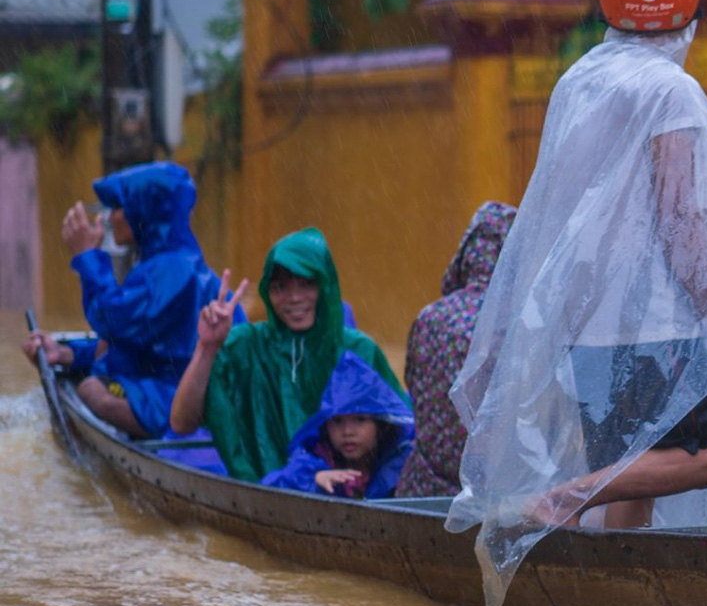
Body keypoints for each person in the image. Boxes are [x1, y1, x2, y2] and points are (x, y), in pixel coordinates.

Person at [448, 0, 707, 606]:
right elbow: (680, 217)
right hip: (653, 324)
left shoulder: (580, 80)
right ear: (690, 7)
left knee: (633, 476)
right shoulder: (669, 91)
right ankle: (565, 496)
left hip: (588, 324)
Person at [169, 227, 404, 482]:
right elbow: (182, 423)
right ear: (267, 293)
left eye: (306, 284)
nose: (293, 298)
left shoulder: (359, 350)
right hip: (263, 491)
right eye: (280, 287)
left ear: (326, 287)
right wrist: (207, 347)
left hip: (344, 491)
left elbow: (402, 427)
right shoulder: (243, 346)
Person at [17, 162, 227, 438]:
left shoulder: (171, 269)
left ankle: (161, 438)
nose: (108, 218)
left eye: (117, 208)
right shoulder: (166, 261)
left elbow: (112, 321)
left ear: (142, 212)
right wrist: (69, 353)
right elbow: (129, 340)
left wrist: (87, 256)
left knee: (91, 390)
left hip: (179, 396)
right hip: (167, 384)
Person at [394, 201, 516, 499]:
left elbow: (414, 388)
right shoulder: (520, 322)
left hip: (423, 491)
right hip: (496, 495)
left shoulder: (429, 316)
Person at [261, 351, 414, 499]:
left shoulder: (404, 460)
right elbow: (267, 489)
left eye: (360, 419)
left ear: (381, 424)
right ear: (325, 426)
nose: (347, 432)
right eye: (337, 421)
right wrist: (312, 479)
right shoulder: (313, 460)